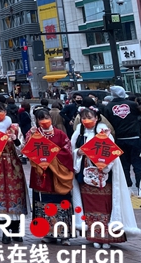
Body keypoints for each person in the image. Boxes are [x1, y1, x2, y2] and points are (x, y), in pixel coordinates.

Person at [72, 106, 140, 248]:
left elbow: (112, 156)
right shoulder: (78, 134)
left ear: (97, 118)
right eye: (84, 118)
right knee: (89, 206)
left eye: (90, 117)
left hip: (104, 174)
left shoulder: (104, 133)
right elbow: (72, 151)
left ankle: (108, 236)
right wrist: (79, 152)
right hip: (85, 175)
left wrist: (102, 162)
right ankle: (95, 236)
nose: (87, 120)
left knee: (106, 205)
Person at [26, 108, 74, 245]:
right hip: (42, 174)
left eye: (46, 118)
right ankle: (47, 233)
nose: (44, 121)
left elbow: (67, 151)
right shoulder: (33, 134)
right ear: (36, 120)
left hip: (59, 174)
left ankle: (65, 234)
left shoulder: (60, 134)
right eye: (40, 119)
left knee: (62, 203)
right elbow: (28, 151)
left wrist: (52, 158)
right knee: (44, 203)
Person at [0, 103, 27, 243]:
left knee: (15, 196)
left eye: (0, 110)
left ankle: (16, 228)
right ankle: (5, 230)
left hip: (13, 167)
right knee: (0, 197)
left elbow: (23, 149)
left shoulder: (14, 128)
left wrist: (16, 140)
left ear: (5, 111)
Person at [104, 85, 141, 190]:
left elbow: (108, 123)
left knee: (124, 165)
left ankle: (127, 188)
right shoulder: (133, 105)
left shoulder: (108, 107)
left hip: (119, 139)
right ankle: (140, 187)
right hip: (135, 138)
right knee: (137, 164)